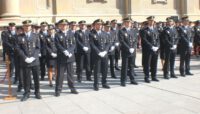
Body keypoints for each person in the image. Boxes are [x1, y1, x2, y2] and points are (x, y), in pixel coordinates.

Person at [16, 20, 41, 101]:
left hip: (35, 61)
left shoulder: (36, 36)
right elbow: (18, 48)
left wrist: (33, 57)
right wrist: (25, 58)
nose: (27, 27)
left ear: (31, 27)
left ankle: (37, 92)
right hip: (25, 61)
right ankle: (26, 93)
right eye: (25, 26)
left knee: (36, 77)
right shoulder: (19, 37)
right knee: (26, 78)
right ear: (23, 27)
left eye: (29, 26)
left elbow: (38, 48)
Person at [55, 19, 78, 97]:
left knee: (70, 74)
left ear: (67, 26)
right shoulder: (57, 34)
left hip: (70, 57)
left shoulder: (71, 33)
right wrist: (64, 51)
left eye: (65, 25)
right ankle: (58, 90)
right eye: (62, 25)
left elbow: (74, 44)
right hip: (61, 57)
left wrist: (70, 52)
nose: (64, 26)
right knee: (60, 75)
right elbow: (57, 45)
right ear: (59, 26)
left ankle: (72, 88)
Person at [89, 19, 111, 91]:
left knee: (105, 70)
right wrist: (98, 52)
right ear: (95, 25)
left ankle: (104, 83)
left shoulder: (105, 33)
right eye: (98, 24)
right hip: (96, 55)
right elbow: (92, 44)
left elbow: (108, 43)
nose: (99, 26)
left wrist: (105, 51)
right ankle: (96, 84)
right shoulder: (91, 33)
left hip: (104, 54)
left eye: (101, 24)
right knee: (97, 71)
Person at [118, 17, 138, 86]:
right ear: (124, 23)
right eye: (127, 22)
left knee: (131, 66)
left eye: (129, 22)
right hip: (125, 51)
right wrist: (128, 48)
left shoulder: (133, 31)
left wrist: (133, 47)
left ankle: (132, 79)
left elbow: (136, 40)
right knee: (125, 66)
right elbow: (122, 41)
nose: (128, 23)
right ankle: (123, 80)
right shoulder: (121, 31)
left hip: (132, 51)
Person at [141, 16, 160, 83]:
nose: (151, 22)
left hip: (155, 49)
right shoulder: (144, 30)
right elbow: (144, 40)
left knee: (154, 63)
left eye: (152, 21)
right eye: (150, 21)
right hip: (148, 50)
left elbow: (158, 39)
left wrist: (157, 46)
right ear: (148, 21)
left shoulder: (155, 29)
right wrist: (151, 46)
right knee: (147, 64)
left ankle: (154, 76)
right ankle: (146, 77)